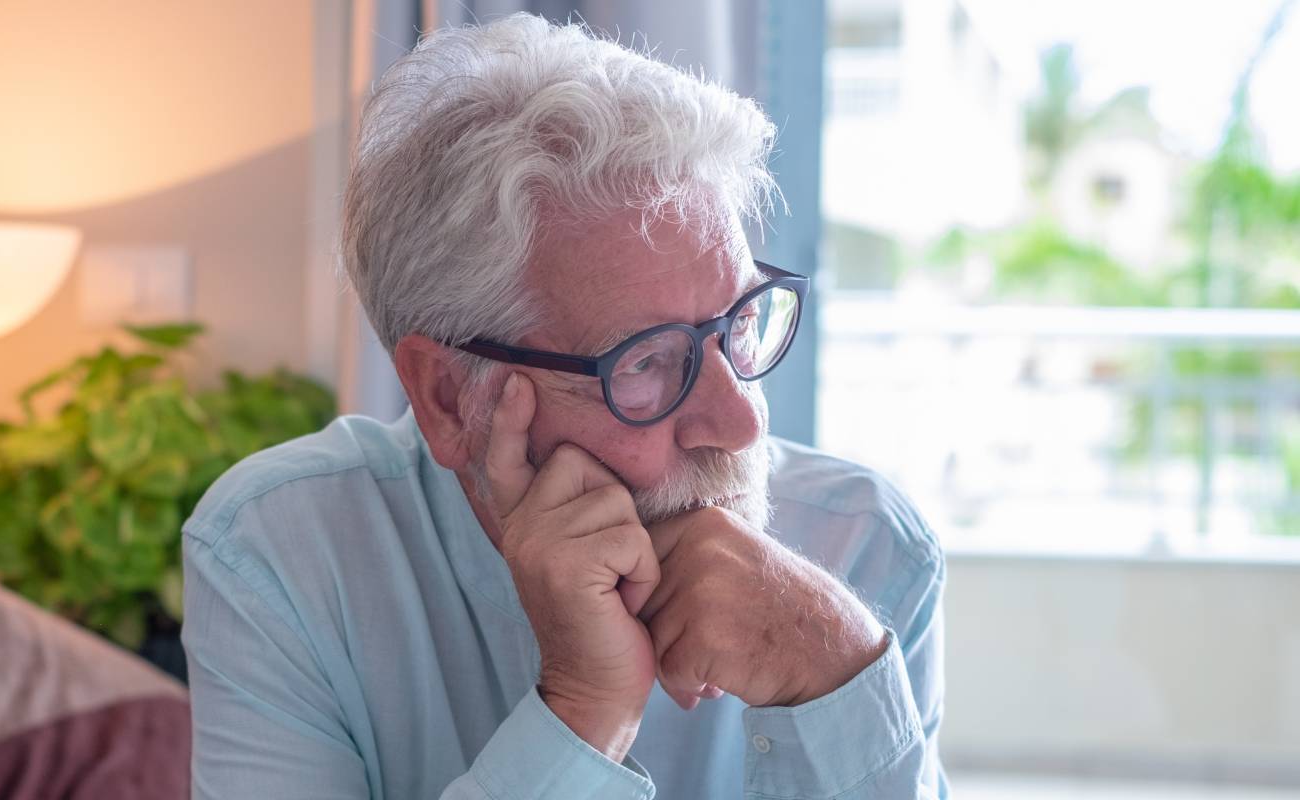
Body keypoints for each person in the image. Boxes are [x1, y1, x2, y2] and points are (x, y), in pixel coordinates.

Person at [182, 13, 946, 799]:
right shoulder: (279, 555)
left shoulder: (867, 549)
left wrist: (837, 675)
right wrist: (583, 713)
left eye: (740, 324)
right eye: (646, 361)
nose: (740, 421)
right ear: (450, 398)